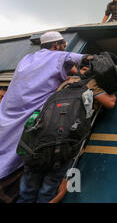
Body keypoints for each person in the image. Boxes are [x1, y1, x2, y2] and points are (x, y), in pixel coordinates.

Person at [16, 61, 117, 203]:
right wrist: (112, 86)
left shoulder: (67, 82)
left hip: (38, 144)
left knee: (27, 191)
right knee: (47, 192)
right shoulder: (92, 84)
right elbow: (110, 102)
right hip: (63, 147)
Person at [0, 31, 90, 182]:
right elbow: (83, 59)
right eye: (64, 45)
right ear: (56, 45)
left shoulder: (27, 59)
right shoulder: (58, 56)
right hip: (27, 116)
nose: (65, 48)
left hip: (7, 113)